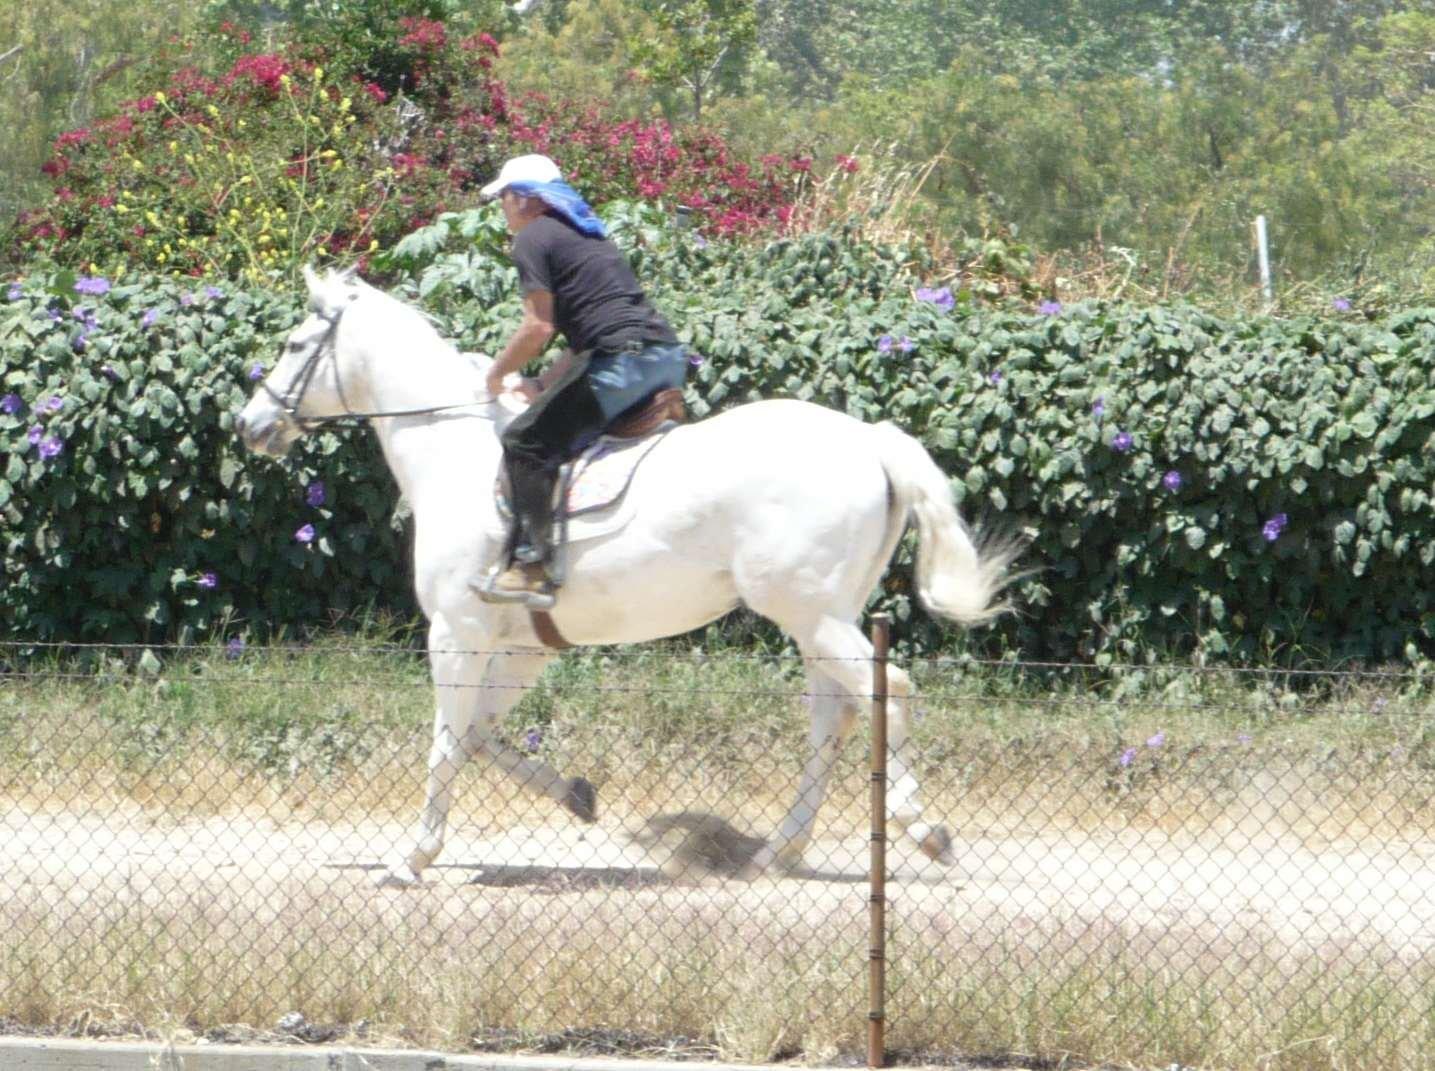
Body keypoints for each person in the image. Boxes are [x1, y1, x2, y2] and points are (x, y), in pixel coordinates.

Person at [477, 154, 687, 608]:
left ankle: (530, 567)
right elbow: (581, 341)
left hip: (621, 365)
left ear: (523, 198)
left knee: (525, 443)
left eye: (503, 199)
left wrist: (495, 376)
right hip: (665, 359)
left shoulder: (533, 238)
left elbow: (538, 327)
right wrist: (542, 384)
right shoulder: (590, 236)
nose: (502, 209)